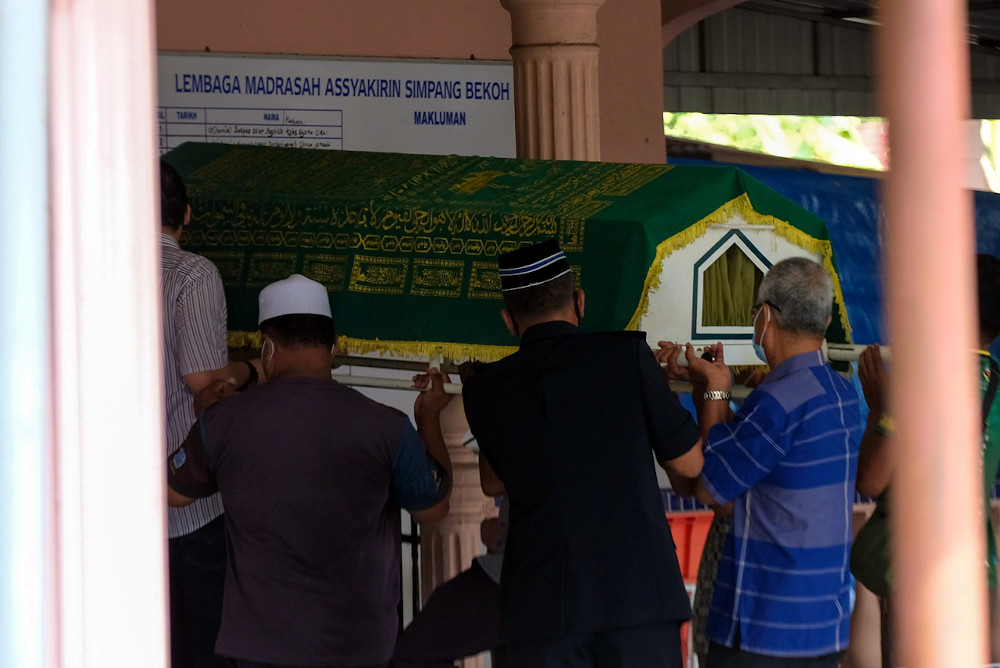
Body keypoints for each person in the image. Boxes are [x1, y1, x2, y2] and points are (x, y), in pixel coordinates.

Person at [165, 273, 453, 668]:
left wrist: (204, 419)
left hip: (260, 650)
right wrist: (429, 418)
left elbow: (174, 493)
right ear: (334, 347)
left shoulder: (225, 421)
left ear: (267, 347)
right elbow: (433, 509)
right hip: (359, 647)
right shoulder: (386, 425)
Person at [462, 239, 704, 668]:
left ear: (508, 320)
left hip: (541, 610)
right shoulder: (627, 357)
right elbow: (690, 464)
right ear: (580, 302)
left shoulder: (485, 388)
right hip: (637, 603)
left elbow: (494, 481)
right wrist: (712, 390)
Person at [659, 256, 862, 667]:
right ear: (824, 320)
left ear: (764, 316)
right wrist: (709, 395)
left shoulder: (777, 400)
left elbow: (710, 483)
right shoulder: (841, 392)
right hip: (824, 623)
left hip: (764, 631)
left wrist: (717, 391)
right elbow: (752, 458)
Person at [850, 253, 1000, 666]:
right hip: (975, 570)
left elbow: (870, 481)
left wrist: (882, 407)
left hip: (916, 574)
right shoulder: (996, 384)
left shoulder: (923, 384)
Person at [160, 160, 260, 668]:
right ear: (188, 214)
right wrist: (252, 371)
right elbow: (206, 384)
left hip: (112, 505)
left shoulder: (89, 263)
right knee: (207, 649)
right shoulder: (190, 274)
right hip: (189, 507)